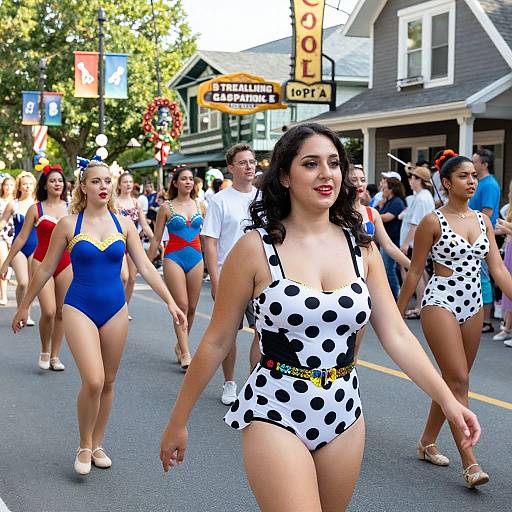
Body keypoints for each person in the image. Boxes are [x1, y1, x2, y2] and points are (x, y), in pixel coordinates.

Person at [160, 124, 480, 510]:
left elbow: (397, 336)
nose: (326, 173)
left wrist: (449, 401)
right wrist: (179, 420)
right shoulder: (254, 248)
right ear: (284, 175)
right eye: (310, 164)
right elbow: (216, 340)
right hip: (274, 407)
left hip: (344, 409)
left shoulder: (361, 247)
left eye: (333, 163)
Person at [10, 159, 186, 476]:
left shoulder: (123, 224)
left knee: (109, 381)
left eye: (107, 181)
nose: (103, 186)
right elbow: (47, 267)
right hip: (79, 307)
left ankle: (98, 443)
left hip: (116, 309)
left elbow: (145, 267)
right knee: (93, 379)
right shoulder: (69, 224)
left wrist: (171, 303)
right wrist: (24, 305)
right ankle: (83, 443)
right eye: (95, 181)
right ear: (84, 187)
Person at [397, 150, 512, 487]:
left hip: (473, 303)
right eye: (463, 176)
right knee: (459, 379)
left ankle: (427, 442)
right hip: (440, 301)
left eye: (473, 176)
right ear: (446, 183)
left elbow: (498, 269)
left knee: (452, 381)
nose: (471, 181)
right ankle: (470, 462)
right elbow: (415, 269)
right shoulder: (433, 221)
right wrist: (397, 312)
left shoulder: (483, 220)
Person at [201, 143, 258, 405]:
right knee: (229, 334)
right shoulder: (219, 200)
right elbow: (210, 241)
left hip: (262, 277)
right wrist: (215, 278)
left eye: (252, 161)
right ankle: (229, 383)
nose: (249, 166)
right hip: (230, 277)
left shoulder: (264, 198)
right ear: (232, 168)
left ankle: (257, 384)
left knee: (264, 331)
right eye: (243, 162)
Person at [1, 165, 72, 370]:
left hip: (66, 263)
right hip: (41, 261)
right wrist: (6, 263)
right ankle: (45, 349)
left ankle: (56, 356)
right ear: (45, 185)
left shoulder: (72, 207)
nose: (57, 184)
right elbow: (22, 237)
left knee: (61, 312)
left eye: (60, 181)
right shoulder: (36, 208)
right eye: (52, 181)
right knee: (48, 311)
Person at [148, 168, 205, 370]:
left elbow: (207, 237)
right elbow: (156, 238)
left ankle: (180, 345)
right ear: (175, 183)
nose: (188, 182)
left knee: (192, 308)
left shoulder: (201, 206)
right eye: (184, 179)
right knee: (181, 305)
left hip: (197, 258)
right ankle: (186, 353)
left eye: (191, 179)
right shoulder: (166, 207)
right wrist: (147, 263)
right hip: (173, 258)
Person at [468, 149, 500, 333]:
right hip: (472, 236)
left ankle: (486, 320)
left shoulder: (489, 185)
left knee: (483, 278)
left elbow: (487, 213)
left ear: (485, 164)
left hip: (481, 238)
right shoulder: (480, 183)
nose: (473, 165)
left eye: (475, 161)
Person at [0, 172, 38, 324]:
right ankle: (19, 310)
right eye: (24, 184)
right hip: (18, 247)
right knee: (22, 282)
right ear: (19, 186)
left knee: (31, 283)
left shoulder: (38, 204)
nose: (27, 186)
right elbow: (3, 222)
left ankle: (26, 314)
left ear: (34, 186)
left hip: (36, 246)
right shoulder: (13, 204)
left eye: (30, 184)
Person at [399, 166, 436, 318]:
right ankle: (424, 303)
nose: (410, 181)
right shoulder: (424, 195)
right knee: (422, 272)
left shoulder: (421, 198)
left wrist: (405, 244)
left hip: (415, 243)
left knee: (415, 273)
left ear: (419, 180)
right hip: (420, 242)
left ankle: (420, 306)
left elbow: (415, 224)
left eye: (412, 177)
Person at [116, 172, 154, 317]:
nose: (128, 184)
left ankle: (125, 308)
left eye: (130, 182)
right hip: (118, 242)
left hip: (133, 243)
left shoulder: (136, 202)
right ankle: (117, 307)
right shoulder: (114, 202)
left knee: (132, 278)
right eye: (125, 182)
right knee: (123, 277)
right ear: (119, 185)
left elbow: (144, 224)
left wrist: (155, 239)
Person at [376, 177, 406, 299]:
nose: (383, 190)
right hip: (385, 240)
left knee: (390, 269)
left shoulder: (397, 202)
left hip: (392, 240)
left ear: (391, 189)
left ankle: (395, 295)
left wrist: (373, 215)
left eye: (385, 188)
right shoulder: (388, 201)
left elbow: (388, 217)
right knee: (386, 269)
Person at [493, 179, 512, 345]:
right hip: (510, 249)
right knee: (506, 288)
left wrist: (506, 228)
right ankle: (507, 327)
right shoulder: (508, 209)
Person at [0, 175, 15, 305]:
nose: (8, 187)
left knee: (13, 264)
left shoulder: (17, 202)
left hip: (16, 234)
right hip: (2, 234)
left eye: (11, 185)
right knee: (3, 262)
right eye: (6, 185)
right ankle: (3, 295)